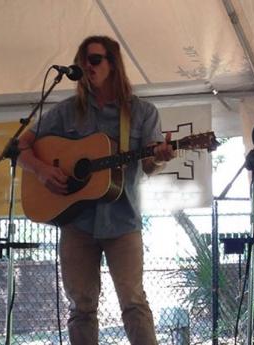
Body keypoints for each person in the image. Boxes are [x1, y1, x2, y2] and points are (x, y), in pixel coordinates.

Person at [18, 35, 174, 344]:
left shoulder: (142, 112)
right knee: (82, 308)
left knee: (133, 303)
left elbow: (148, 166)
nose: (86, 66)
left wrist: (159, 158)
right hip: (77, 224)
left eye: (94, 59)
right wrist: (42, 169)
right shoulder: (65, 111)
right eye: (82, 60)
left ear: (113, 64)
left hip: (123, 221)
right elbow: (21, 146)